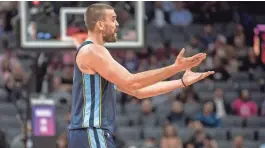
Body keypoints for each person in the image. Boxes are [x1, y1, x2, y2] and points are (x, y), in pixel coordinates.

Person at [68, 3, 214, 148]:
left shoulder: (98, 55)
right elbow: (132, 82)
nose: (117, 24)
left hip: (88, 133)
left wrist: (181, 82)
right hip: (90, 132)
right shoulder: (92, 50)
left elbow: (139, 91)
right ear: (100, 25)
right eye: (113, 19)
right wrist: (175, 68)